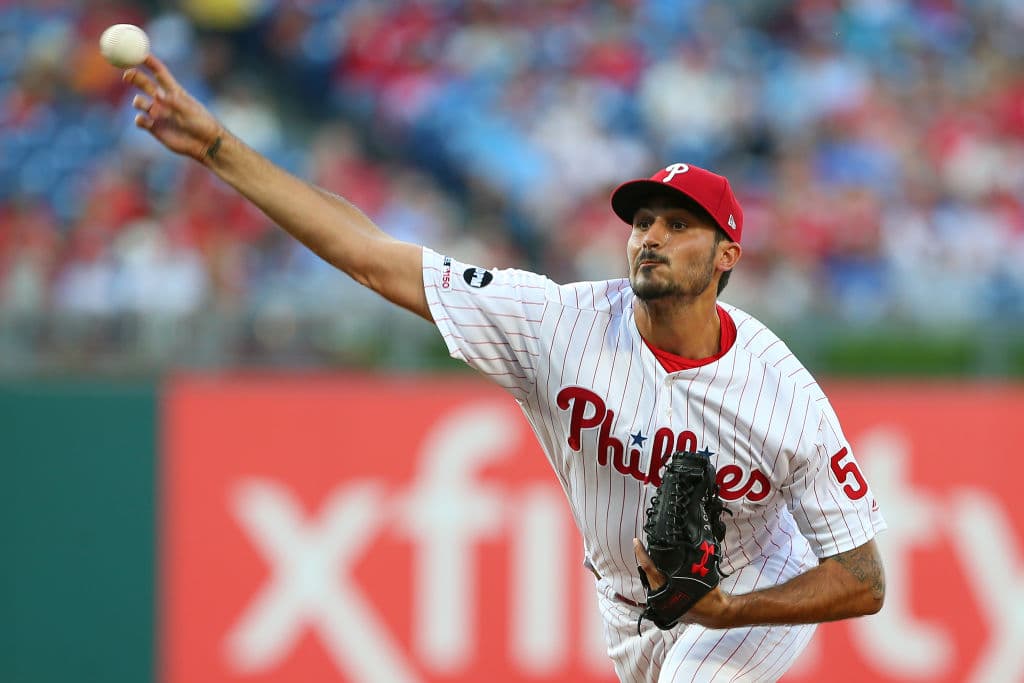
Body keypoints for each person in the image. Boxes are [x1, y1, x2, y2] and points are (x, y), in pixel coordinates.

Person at [124, 55, 886, 682]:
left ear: (726, 256)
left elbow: (863, 579)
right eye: (643, 220)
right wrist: (218, 147)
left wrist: (726, 610)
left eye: (679, 224)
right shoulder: (556, 323)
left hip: (746, 590)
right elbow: (370, 256)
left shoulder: (781, 395)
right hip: (626, 606)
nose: (650, 236)